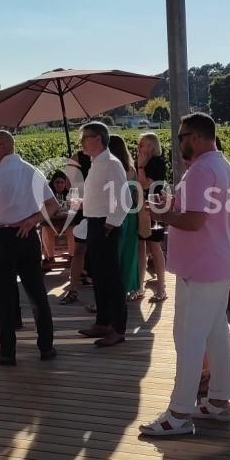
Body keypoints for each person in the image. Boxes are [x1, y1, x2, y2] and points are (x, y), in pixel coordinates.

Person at [140, 113, 230, 436]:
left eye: (182, 136)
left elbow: (196, 221)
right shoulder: (222, 166)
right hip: (216, 265)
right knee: (215, 335)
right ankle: (217, 402)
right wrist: (172, 202)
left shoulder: (201, 170)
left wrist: (162, 213)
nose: (179, 142)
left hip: (201, 268)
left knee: (188, 338)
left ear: (197, 137)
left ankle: (180, 412)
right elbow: (218, 215)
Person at [0, 130, 60, 365]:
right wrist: (33, 220)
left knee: (4, 295)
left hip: (3, 235)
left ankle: (7, 351)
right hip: (28, 235)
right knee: (37, 293)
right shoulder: (33, 171)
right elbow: (52, 204)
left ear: (2, 147)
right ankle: (46, 347)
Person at [77, 122, 129, 347]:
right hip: (95, 224)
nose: (82, 143)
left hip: (104, 226)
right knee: (98, 275)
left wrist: (110, 225)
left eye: (85, 138)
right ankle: (103, 321)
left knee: (111, 278)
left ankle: (118, 328)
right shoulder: (97, 162)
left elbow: (124, 199)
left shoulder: (111, 163)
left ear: (97, 138)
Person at [108, 135, 143, 301]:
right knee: (129, 253)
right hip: (131, 213)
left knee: (114, 253)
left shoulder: (113, 168)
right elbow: (136, 194)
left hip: (117, 213)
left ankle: (114, 292)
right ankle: (127, 289)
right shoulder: (131, 169)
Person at [136, 132, 168, 303]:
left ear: (153, 147)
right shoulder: (141, 162)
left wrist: (140, 167)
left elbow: (145, 184)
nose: (141, 147)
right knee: (141, 246)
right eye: (140, 144)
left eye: (144, 144)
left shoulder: (157, 162)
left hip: (153, 208)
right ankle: (139, 286)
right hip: (140, 207)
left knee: (155, 247)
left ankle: (161, 288)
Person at [57, 152, 92, 306]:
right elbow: (69, 185)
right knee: (79, 250)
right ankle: (73, 289)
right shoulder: (77, 157)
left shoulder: (104, 158)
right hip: (82, 208)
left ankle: (76, 289)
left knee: (83, 251)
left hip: (96, 209)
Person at [41, 170, 72, 268]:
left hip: (66, 220)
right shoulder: (48, 194)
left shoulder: (69, 194)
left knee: (72, 228)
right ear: (53, 183)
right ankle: (50, 257)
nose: (59, 185)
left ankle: (72, 255)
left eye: (62, 182)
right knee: (46, 229)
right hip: (52, 220)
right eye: (57, 182)